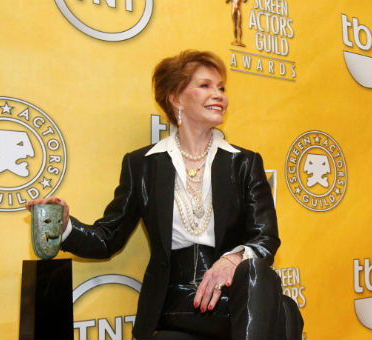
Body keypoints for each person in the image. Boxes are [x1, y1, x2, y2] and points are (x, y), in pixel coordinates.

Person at [26, 50, 303, 339]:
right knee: (279, 311)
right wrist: (65, 226)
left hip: (233, 299)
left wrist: (231, 261)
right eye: (205, 85)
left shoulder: (244, 162)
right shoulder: (142, 165)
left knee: (258, 274)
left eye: (221, 88)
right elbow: (108, 238)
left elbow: (266, 237)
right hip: (173, 304)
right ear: (175, 97)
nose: (219, 95)